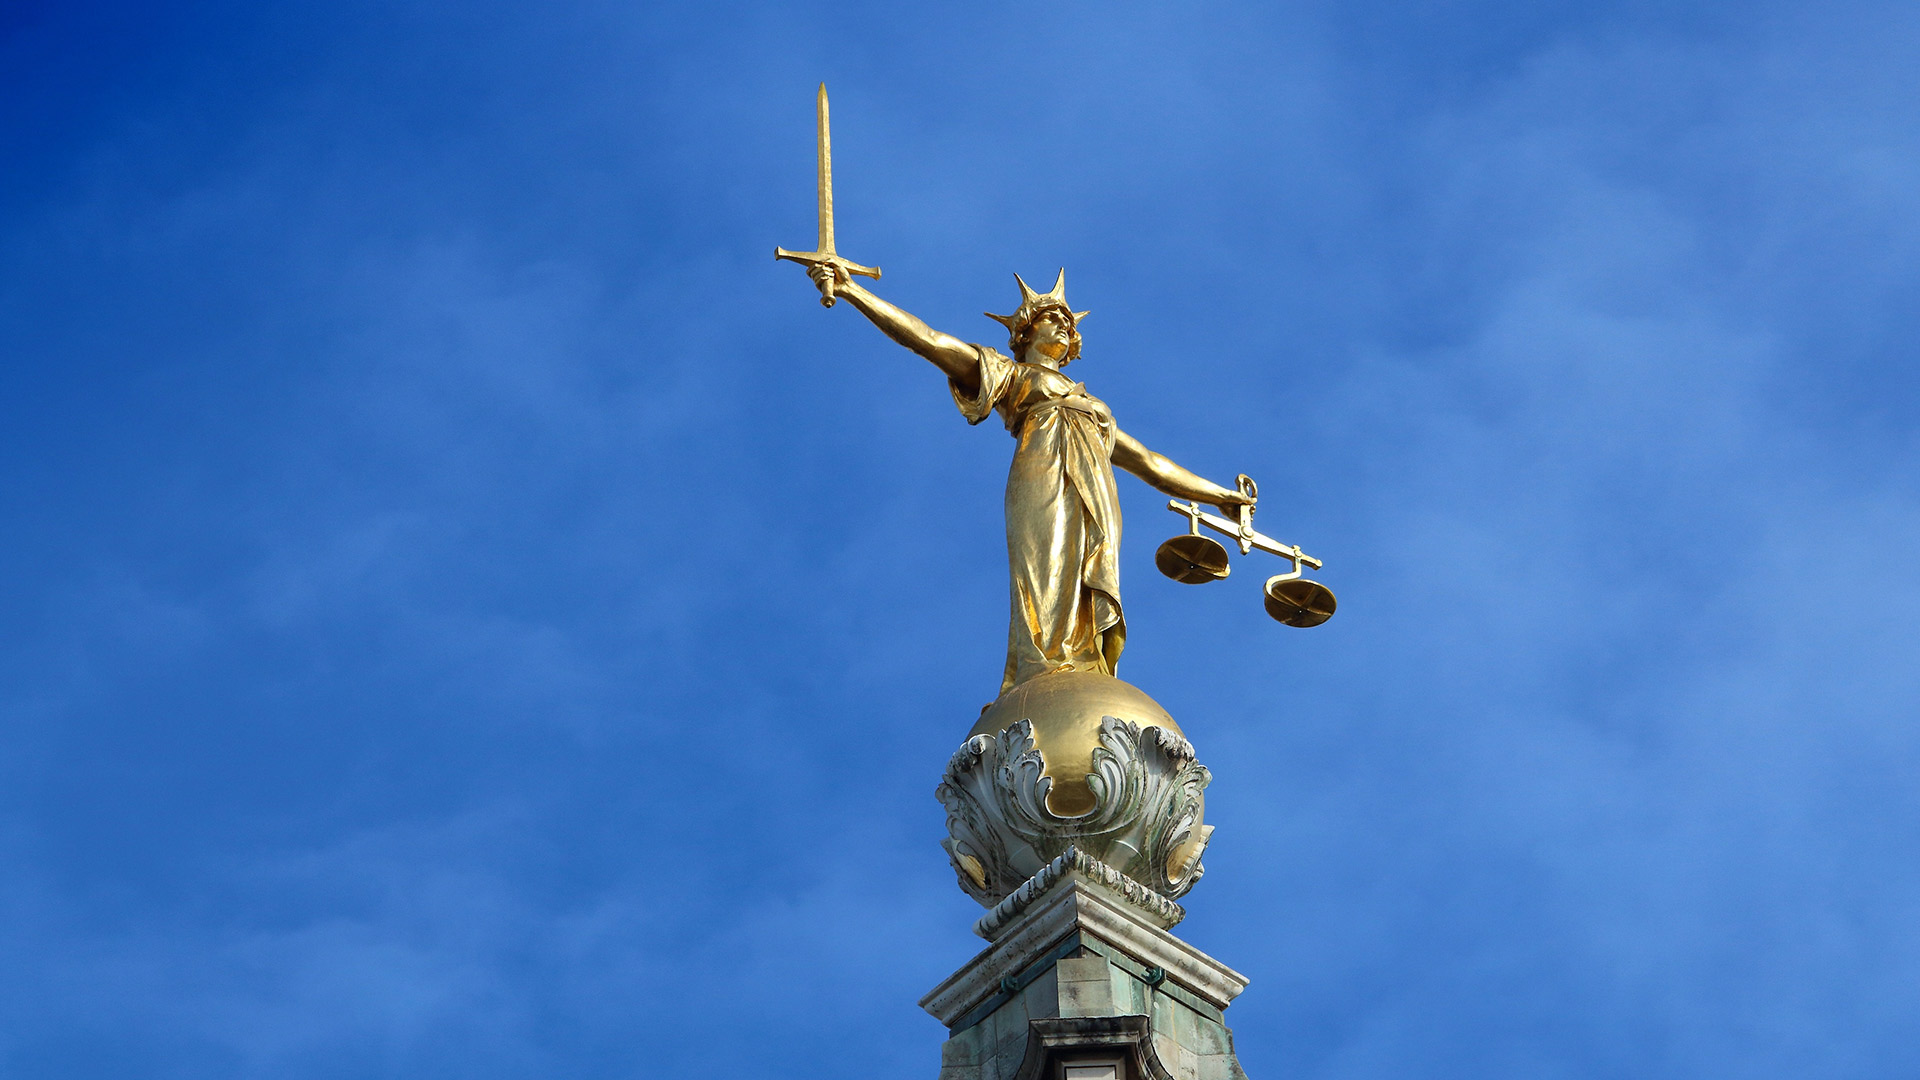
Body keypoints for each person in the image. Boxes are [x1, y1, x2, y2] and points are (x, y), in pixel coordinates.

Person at [804, 264, 1254, 695]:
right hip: (1042, 476)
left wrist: (1219, 496)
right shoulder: (1012, 375)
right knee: (1046, 569)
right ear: (1025, 332)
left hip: (1096, 493)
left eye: (1066, 322)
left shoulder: (1093, 407)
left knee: (1086, 570)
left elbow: (1150, 462)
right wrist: (851, 290)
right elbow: (930, 340)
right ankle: (1042, 666)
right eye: (1050, 318)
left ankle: (1083, 664)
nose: (1061, 325)